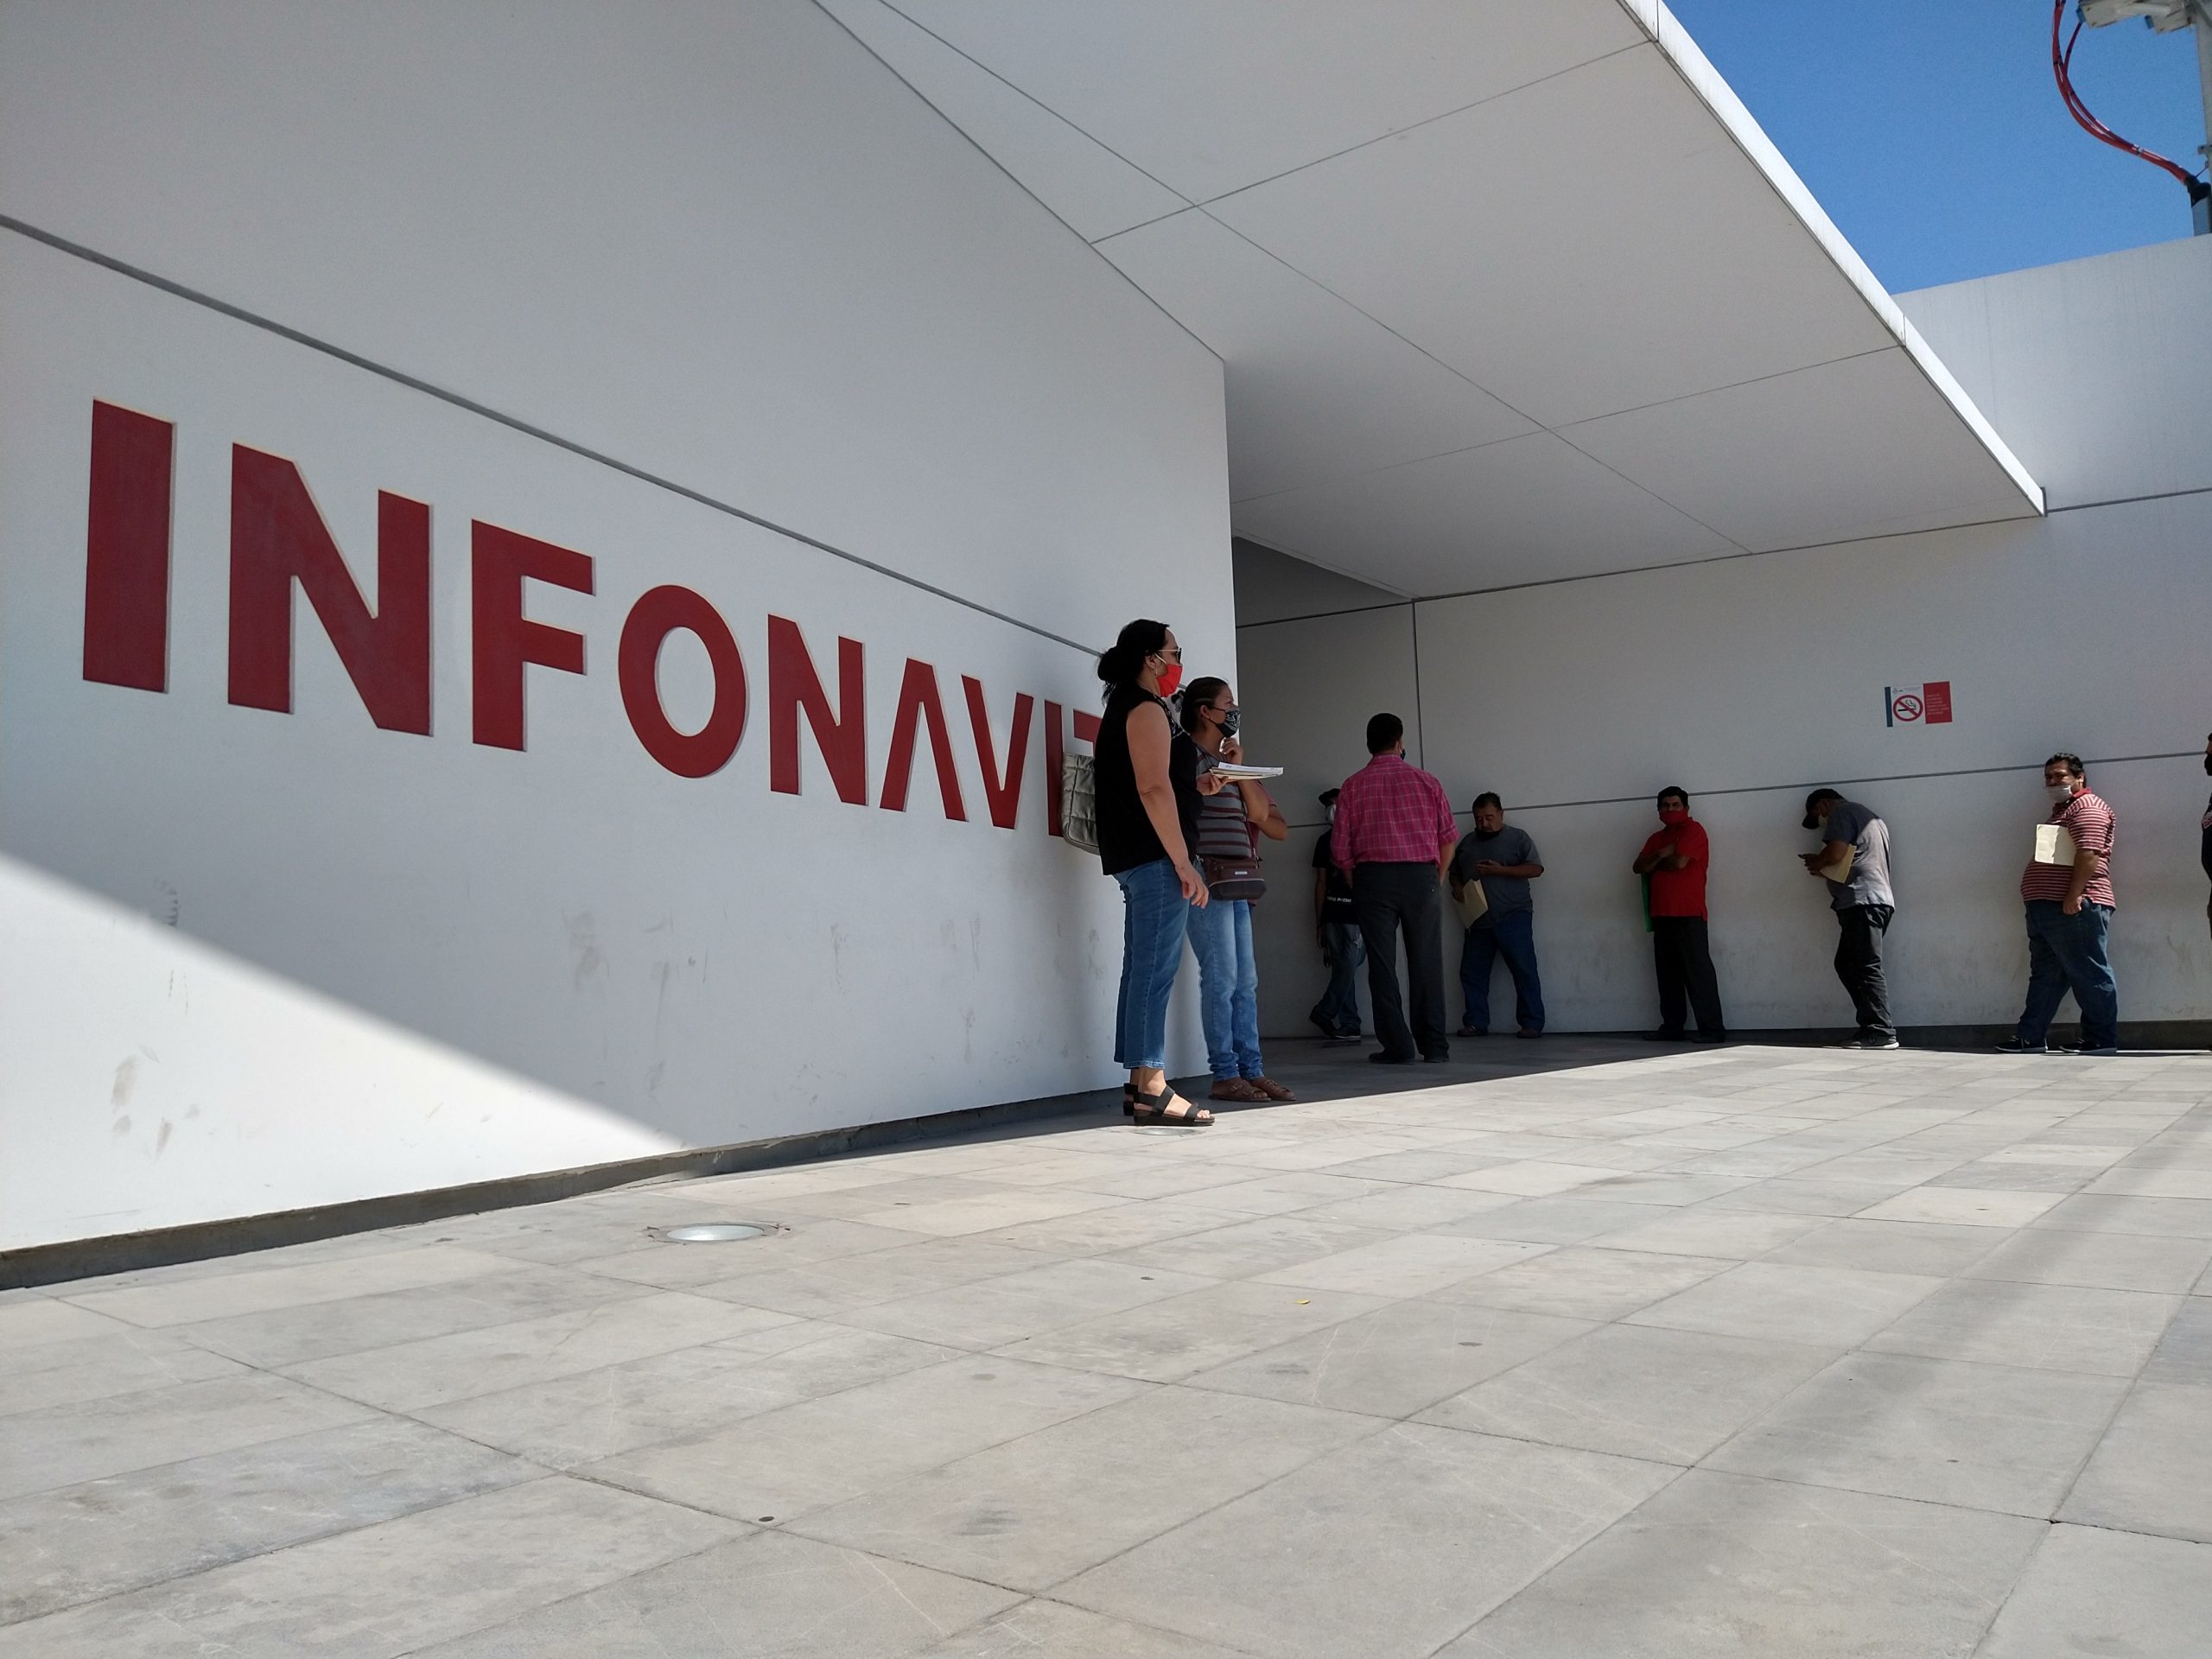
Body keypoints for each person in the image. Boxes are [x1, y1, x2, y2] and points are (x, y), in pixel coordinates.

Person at [1093, 619, 1219, 1124]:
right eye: (1174, 652)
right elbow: (1151, 788)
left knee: (1142, 967)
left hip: (1139, 856)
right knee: (1154, 970)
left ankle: (1138, 1082)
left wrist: (1198, 786)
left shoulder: (1130, 705)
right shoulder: (1144, 708)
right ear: (1152, 659)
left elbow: (1153, 782)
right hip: (1155, 857)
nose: (1178, 661)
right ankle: (1151, 1084)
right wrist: (1183, 862)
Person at [1179, 677, 1295, 1104]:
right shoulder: (1184, 755)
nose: (1234, 712)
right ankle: (1225, 1074)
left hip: (1237, 880)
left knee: (1246, 980)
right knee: (1221, 975)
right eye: (1228, 705)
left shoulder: (1227, 761)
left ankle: (1252, 1070)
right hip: (1205, 876)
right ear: (1205, 711)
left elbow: (1262, 814)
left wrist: (1238, 768)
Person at [1332, 713, 1459, 1065]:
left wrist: (1358, 882)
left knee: (1382, 966)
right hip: (1421, 877)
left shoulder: (1352, 786)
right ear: (1400, 741)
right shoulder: (1427, 781)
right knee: (1427, 962)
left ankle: (1398, 1046)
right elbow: (1448, 839)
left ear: (1368, 744)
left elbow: (1340, 850)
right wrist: (1437, 877)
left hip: (1373, 879)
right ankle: (1435, 1046)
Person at [1998, 753, 2119, 1056]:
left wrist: (2073, 896)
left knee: (2089, 972)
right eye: (2048, 777)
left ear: (2079, 777)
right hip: (2047, 908)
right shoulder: (2062, 811)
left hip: (2073, 907)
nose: (2053, 782)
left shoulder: (2088, 808)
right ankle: (2030, 1037)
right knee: (2046, 974)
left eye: (2060, 776)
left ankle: (2101, 1039)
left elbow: (2089, 854)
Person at [1799, 789, 1897, 1050]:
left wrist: (1818, 862)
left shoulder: (1841, 812)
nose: (1822, 822)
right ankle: (1871, 1026)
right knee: (1848, 964)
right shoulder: (1867, 816)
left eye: (1818, 815)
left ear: (1824, 804)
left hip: (1861, 901)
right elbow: (1853, 861)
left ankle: (1880, 1031)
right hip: (1874, 899)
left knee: (1865, 966)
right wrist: (1825, 868)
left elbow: (1835, 853)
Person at [1632, 785, 1726, 1042]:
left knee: (1698, 974)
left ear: (1686, 807)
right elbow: (1638, 866)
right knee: (1667, 975)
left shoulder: (1694, 831)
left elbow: (1679, 863)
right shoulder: (1657, 838)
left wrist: (1655, 862)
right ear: (1658, 810)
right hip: (1661, 915)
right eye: (1665, 806)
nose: (1670, 809)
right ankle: (1672, 1027)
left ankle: (1713, 1030)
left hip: (1689, 915)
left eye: (1675, 805)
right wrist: (1663, 852)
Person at [1451, 793, 1547, 1039]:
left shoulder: (1518, 838)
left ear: (1501, 814)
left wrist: (1501, 870)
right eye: (1478, 819)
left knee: (1524, 969)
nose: (1484, 823)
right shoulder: (1468, 842)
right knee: (1472, 973)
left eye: (1489, 817)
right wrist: (1457, 886)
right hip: (1478, 920)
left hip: (1513, 916)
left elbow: (1536, 869)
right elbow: (1454, 871)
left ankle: (1532, 1023)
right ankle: (1475, 1022)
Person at [1309, 788, 1363, 1042]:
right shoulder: (1323, 841)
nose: (1332, 809)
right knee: (1343, 967)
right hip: (1332, 914)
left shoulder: (1362, 836)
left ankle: (1325, 1011)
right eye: (1329, 805)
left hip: (1357, 914)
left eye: (1336, 804)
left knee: (1349, 965)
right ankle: (1350, 1023)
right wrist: (1319, 921)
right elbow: (1320, 883)